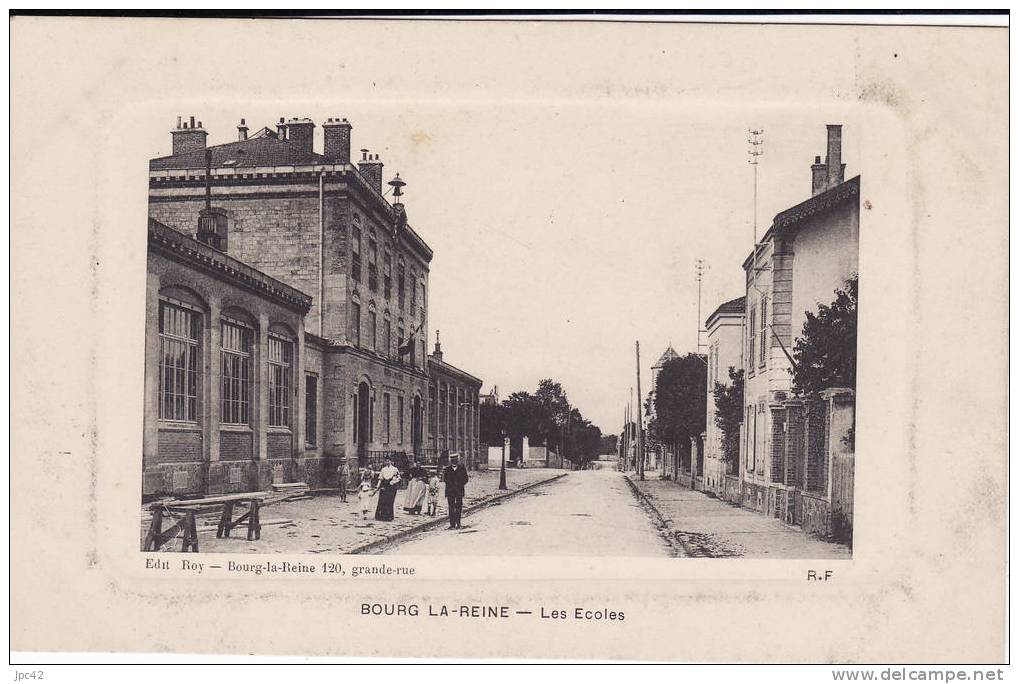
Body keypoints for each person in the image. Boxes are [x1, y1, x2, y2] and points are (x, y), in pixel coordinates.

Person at [443, 453, 469, 529]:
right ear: (451, 461)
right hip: (450, 491)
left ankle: (458, 523)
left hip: (459, 491)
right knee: (451, 508)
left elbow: (466, 479)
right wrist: (451, 484)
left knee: (458, 507)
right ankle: (452, 524)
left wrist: (460, 484)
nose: (454, 462)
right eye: (453, 460)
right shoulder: (447, 469)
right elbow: (445, 479)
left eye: (456, 460)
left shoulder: (462, 468)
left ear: (457, 460)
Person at [374, 457, 401, 521]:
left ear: (391, 461)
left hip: (391, 487)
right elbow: (380, 479)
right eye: (386, 461)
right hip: (384, 485)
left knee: (390, 501)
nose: (387, 462)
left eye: (388, 461)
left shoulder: (395, 469)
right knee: (382, 501)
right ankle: (381, 516)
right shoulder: (383, 469)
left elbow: (398, 478)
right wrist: (377, 487)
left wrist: (393, 482)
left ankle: (389, 516)